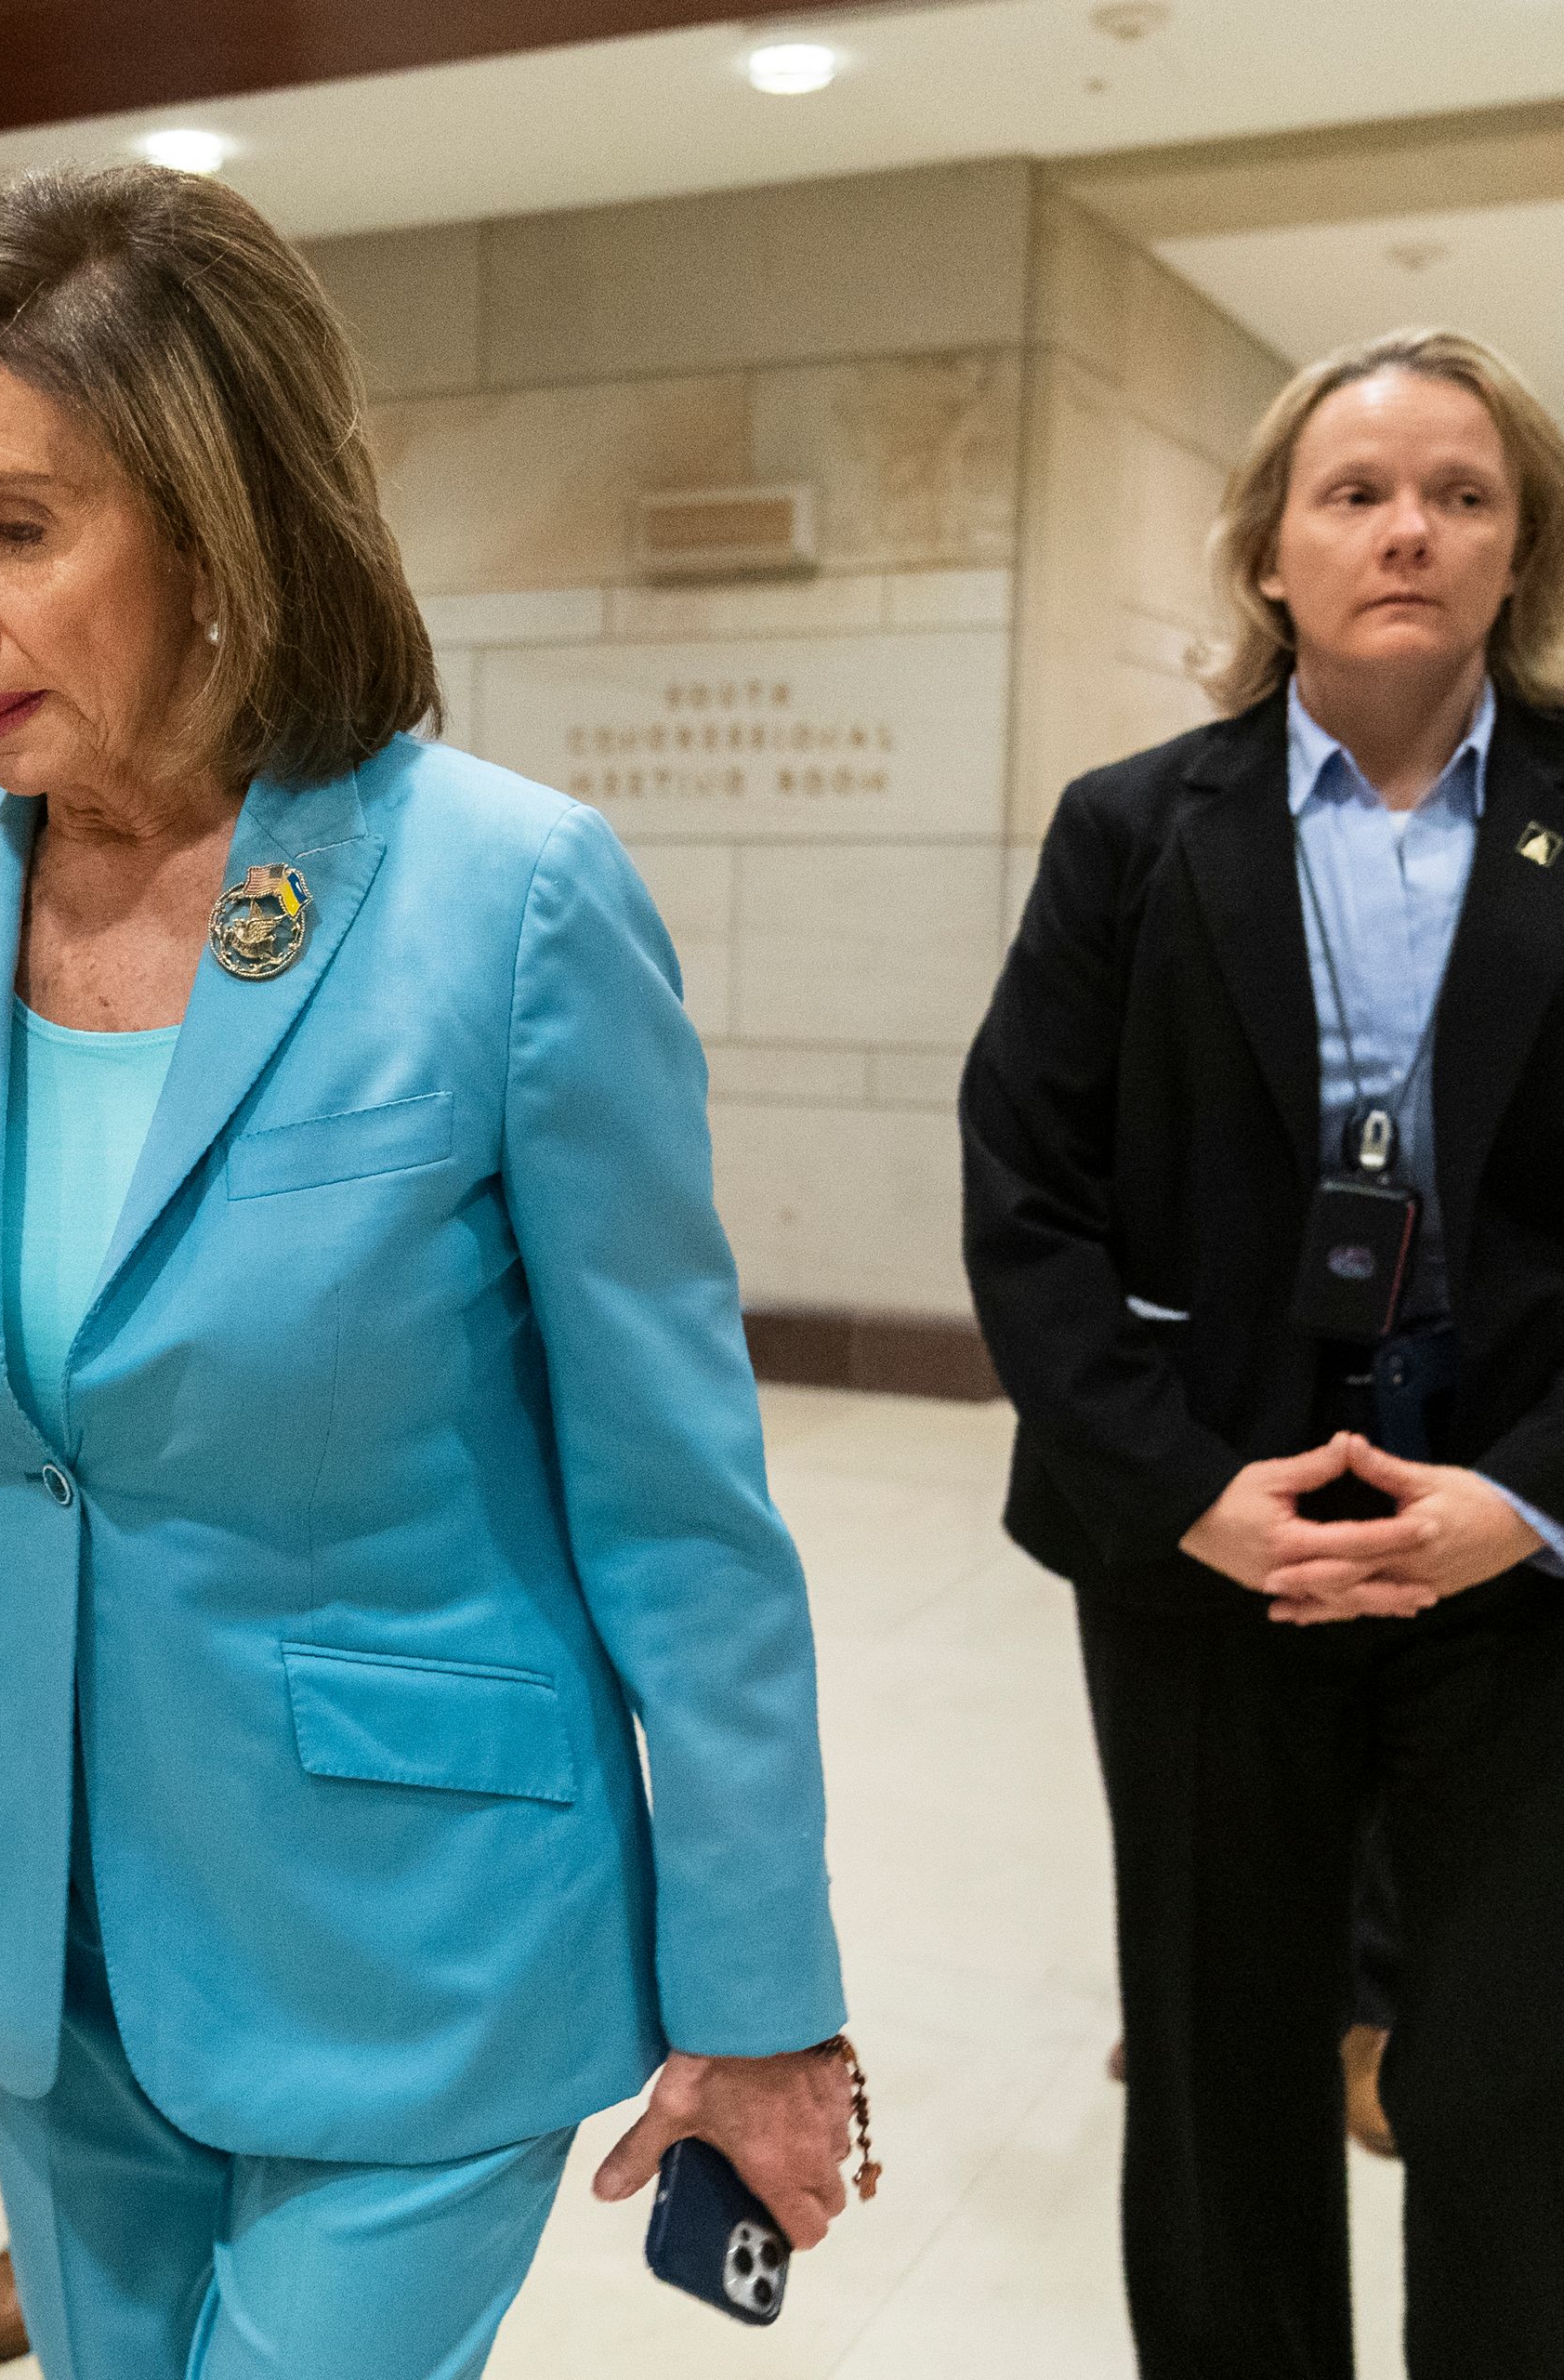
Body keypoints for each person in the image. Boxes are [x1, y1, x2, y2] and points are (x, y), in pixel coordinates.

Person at [0, 164, 863, 2378]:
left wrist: (763, 1997)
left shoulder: (505, 900)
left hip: (420, 1943)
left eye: (17, 525)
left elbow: (681, 1507)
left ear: (218, 507)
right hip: (54, 1945)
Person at [961, 324, 1564, 2380]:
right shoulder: (1135, 831)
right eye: (1360, 492)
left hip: (1516, 1551)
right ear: (1271, 556)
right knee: (1221, 2081)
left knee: (1516, 2086)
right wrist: (1185, 1490)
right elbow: (1025, 1191)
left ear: (1520, 551)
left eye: (1464, 494)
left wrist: (1531, 1492)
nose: (1411, 529)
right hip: (1212, 1545)